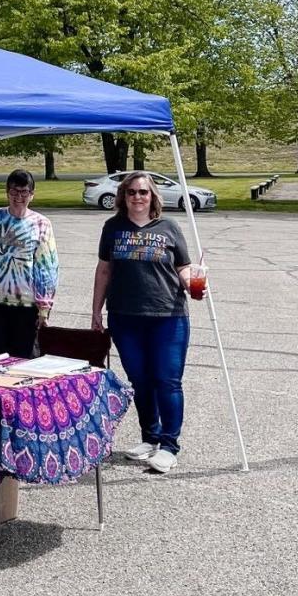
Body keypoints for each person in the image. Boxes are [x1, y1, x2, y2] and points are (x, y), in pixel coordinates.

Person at [91, 170, 201, 474]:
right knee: (140, 380)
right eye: (131, 192)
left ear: (153, 196)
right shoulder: (112, 227)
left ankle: (169, 446)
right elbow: (103, 271)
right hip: (125, 317)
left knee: (167, 380)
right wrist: (96, 311)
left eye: (143, 192)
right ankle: (150, 437)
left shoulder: (169, 227)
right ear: (123, 197)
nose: (138, 197)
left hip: (168, 316)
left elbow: (183, 267)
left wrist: (195, 283)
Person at [0, 169, 58, 359]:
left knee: (22, 363)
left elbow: (46, 268)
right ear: (7, 193)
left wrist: (44, 308)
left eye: (24, 192)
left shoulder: (41, 224)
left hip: (25, 306)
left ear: (32, 194)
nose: (19, 197)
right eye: (14, 192)